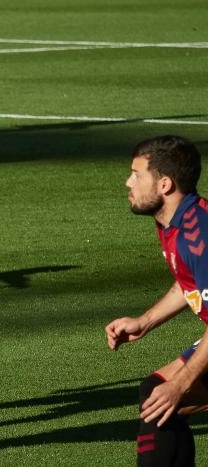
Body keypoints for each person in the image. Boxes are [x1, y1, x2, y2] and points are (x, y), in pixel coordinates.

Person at [106, 135, 207, 467]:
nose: (128, 182)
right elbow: (188, 282)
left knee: (166, 396)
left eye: (137, 175)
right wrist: (145, 321)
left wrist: (180, 384)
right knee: (158, 397)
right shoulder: (174, 222)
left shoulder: (198, 237)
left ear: (164, 184)